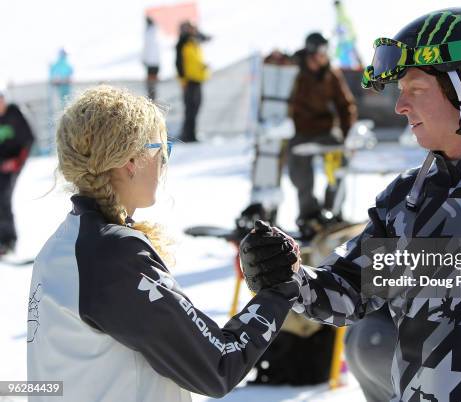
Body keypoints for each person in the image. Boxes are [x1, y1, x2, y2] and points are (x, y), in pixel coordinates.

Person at [240, 8, 461, 401]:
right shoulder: (406, 199)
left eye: (415, 90)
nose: (401, 106)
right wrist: (287, 275)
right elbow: (351, 292)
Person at [27, 85, 299, 401]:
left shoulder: (61, 247)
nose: (163, 164)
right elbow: (219, 364)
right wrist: (279, 289)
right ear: (130, 160)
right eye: (162, 150)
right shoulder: (111, 256)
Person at [288, 32, 357, 236]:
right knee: (301, 175)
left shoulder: (331, 73)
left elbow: (345, 104)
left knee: (338, 166)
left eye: (326, 51)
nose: (324, 56)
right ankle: (308, 215)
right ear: (311, 53)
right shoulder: (295, 72)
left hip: (326, 130)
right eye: (320, 52)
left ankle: (332, 211)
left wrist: (347, 135)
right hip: (300, 131)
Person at [0, 84, 34, 255]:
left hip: (13, 164)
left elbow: (29, 139)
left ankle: (9, 241)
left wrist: (16, 162)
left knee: (4, 199)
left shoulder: (14, 114)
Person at [175, 21, 211, 142]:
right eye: (191, 28)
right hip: (189, 81)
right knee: (190, 109)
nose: (194, 30)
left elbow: (204, 37)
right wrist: (183, 80)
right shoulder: (183, 43)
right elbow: (179, 64)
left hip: (198, 79)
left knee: (196, 108)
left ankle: (192, 134)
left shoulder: (194, 41)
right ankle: (187, 135)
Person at [143, 16, 161, 101]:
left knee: (151, 83)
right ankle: (153, 98)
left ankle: (151, 99)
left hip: (151, 62)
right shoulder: (156, 32)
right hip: (156, 62)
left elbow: (146, 48)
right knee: (153, 83)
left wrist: (144, 59)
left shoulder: (149, 34)